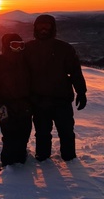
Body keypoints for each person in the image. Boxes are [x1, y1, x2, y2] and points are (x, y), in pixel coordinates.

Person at [23, 14, 87, 162]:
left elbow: (75, 71)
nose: (44, 29)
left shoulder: (64, 48)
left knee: (66, 131)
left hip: (61, 99)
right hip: (38, 99)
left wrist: (81, 91)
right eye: (40, 26)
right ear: (35, 28)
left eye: (47, 25)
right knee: (42, 132)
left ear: (53, 27)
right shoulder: (28, 49)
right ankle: (42, 156)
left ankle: (69, 158)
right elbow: (21, 73)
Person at [0, 33, 32, 167]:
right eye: (14, 45)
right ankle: (8, 163)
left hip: (24, 105)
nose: (18, 49)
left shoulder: (25, 62)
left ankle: (21, 159)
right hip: (5, 106)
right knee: (9, 134)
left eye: (21, 45)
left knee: (24, 132)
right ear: (6, 46)